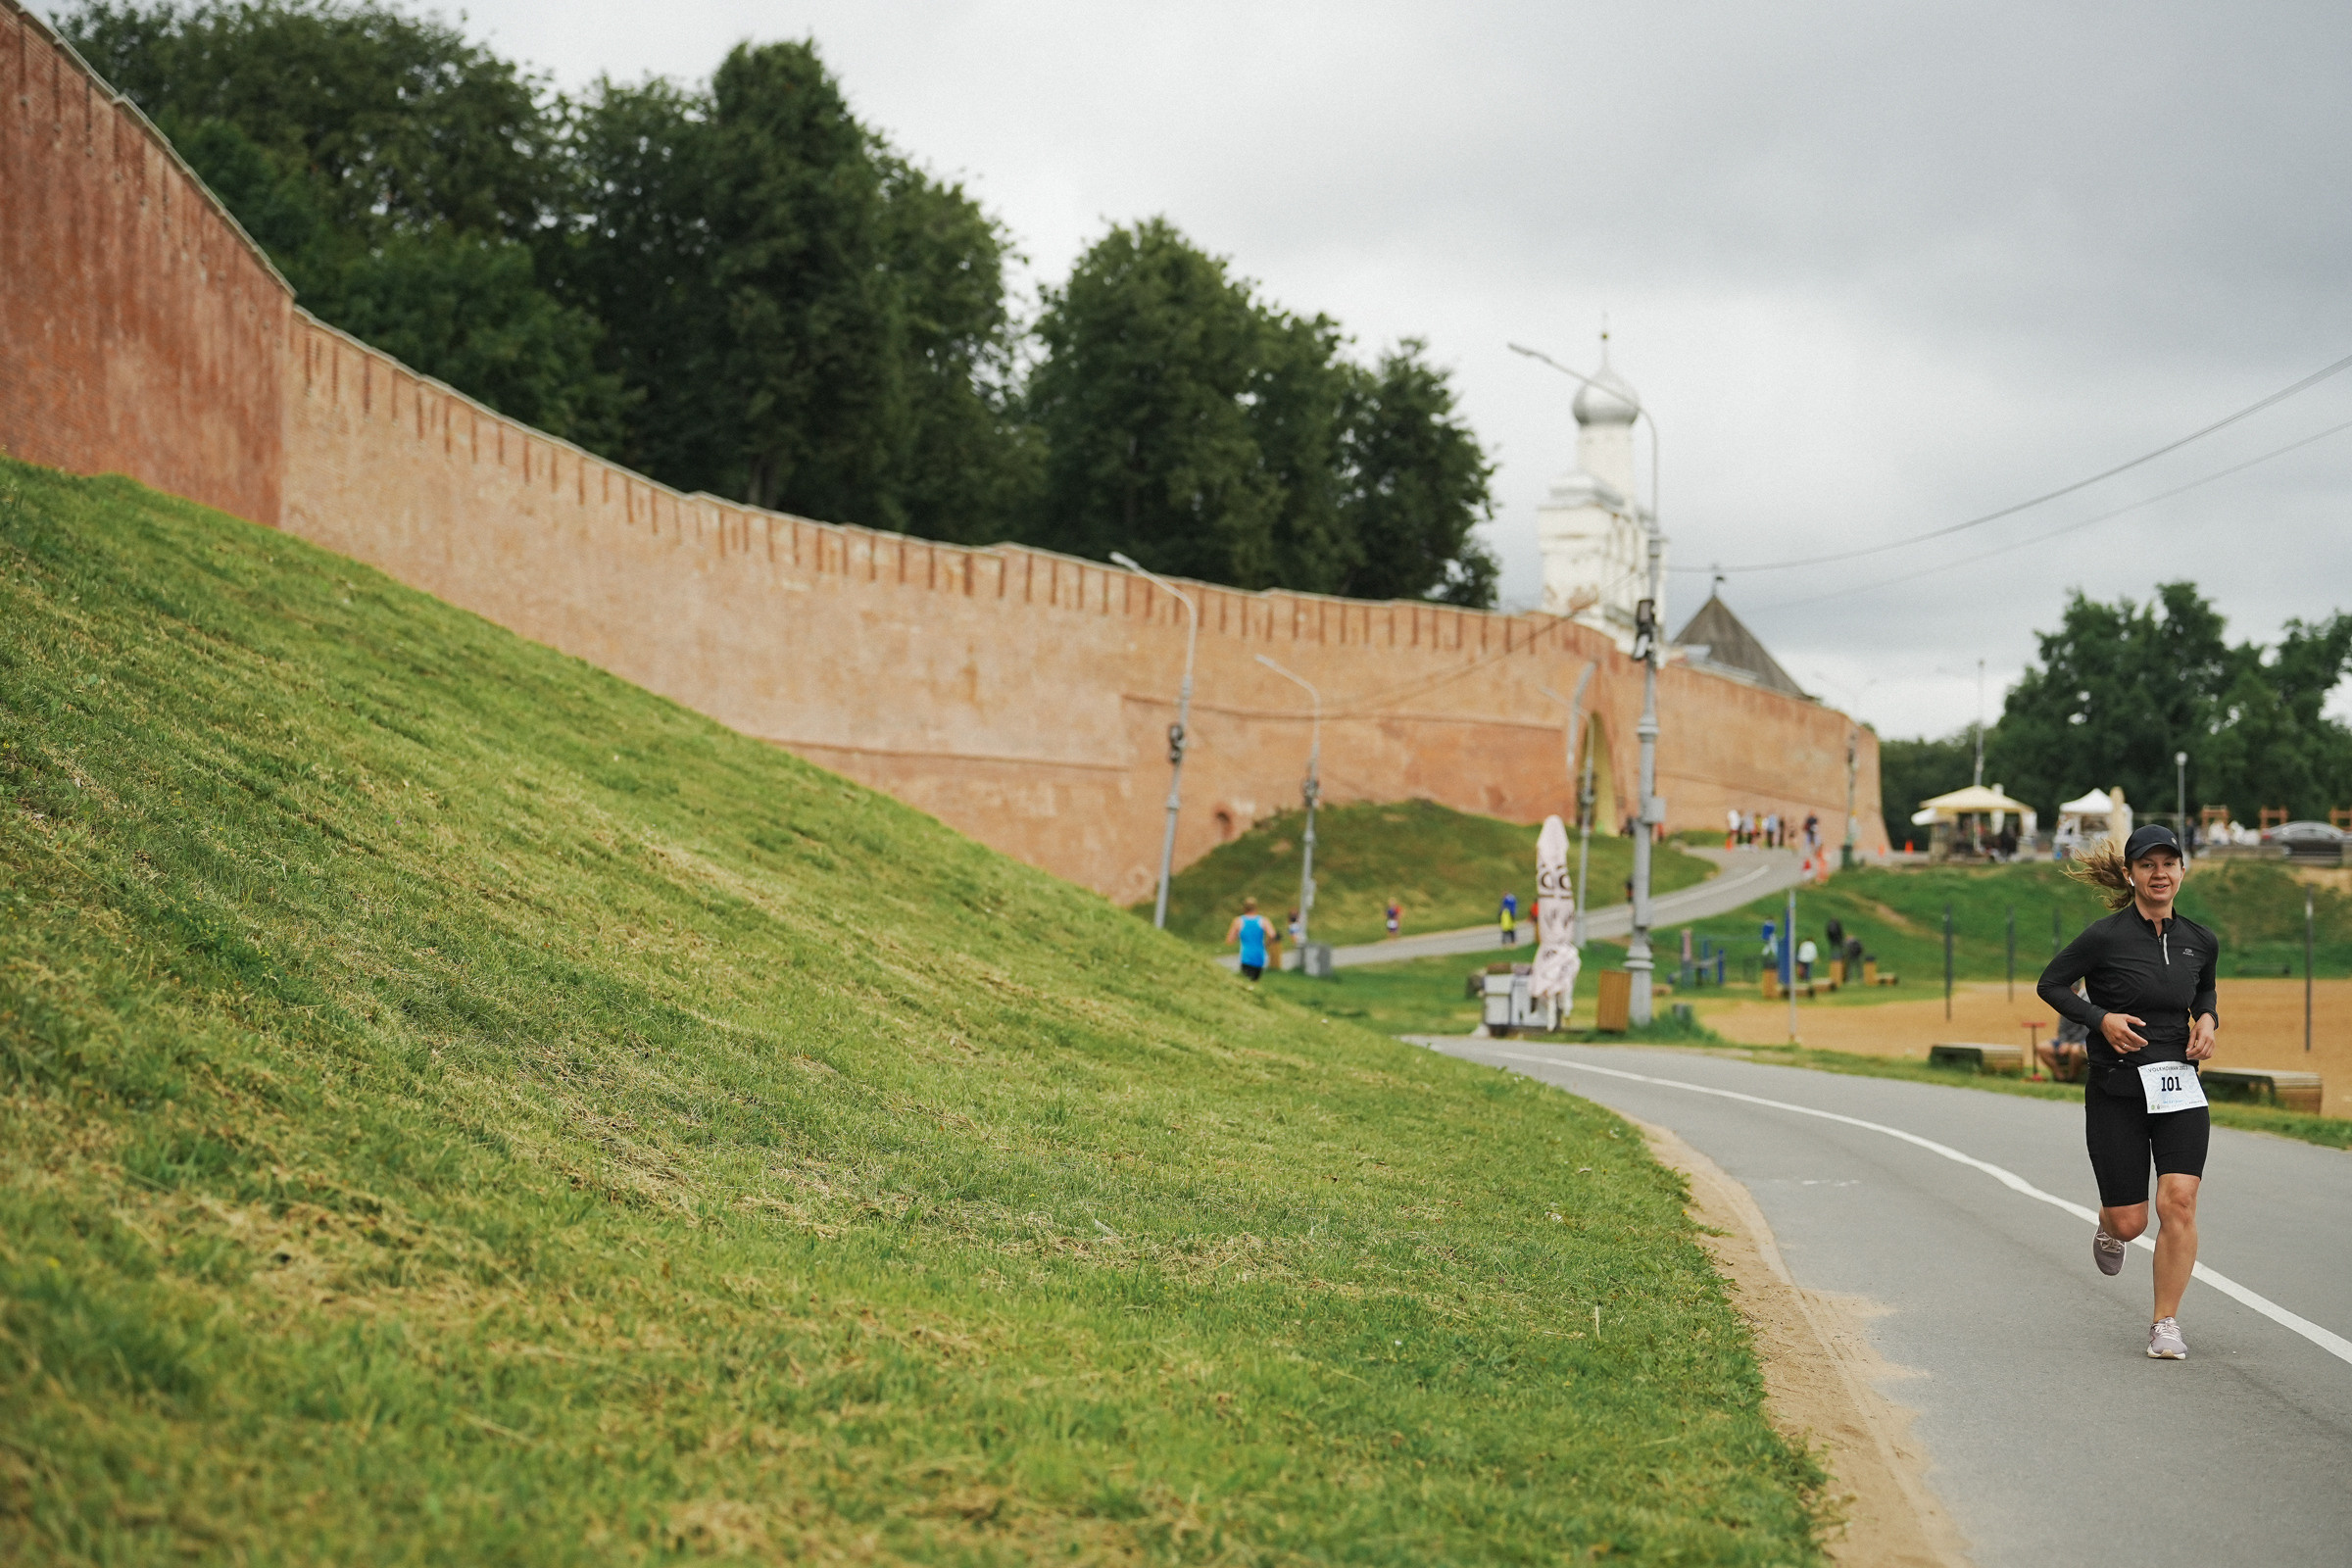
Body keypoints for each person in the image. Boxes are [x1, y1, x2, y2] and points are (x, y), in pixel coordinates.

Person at [2036, 824, 2217, 1360]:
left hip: (2179, 1086)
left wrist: (2208, 1018)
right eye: (2147, 865)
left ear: (2182, 871)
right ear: (2130, 873)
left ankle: (2165, 1323)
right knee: (2132, 1220)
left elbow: (2203, 985)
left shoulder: (2200, 940)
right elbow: (2051, 984)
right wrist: (2101, 1018)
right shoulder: (2104, 937)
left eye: (2169, 864)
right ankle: (2109, 1225)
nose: (2159, 874)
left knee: (2179, 1202)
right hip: (2117, 1089)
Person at [1226, 897, 1280, 982]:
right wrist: (1266, 944)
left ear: (1244, 908)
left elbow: (1230, 940)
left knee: (1247, 981)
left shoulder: (1238, 921)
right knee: (1255, 980)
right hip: (1260, 955)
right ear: (1256, 908)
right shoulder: (1263, 920)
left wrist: (1239, 936)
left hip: (1246, 956)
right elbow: (1273, 935)